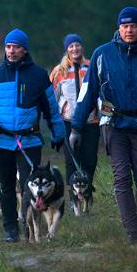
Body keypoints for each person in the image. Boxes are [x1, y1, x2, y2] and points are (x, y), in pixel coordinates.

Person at [70, 6, 137, 245]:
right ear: (118, 28)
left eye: (133, 26)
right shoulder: (102, 54)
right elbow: (87, 93)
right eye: (125, 26)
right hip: (112, 123)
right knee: (122, 178)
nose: (129, 30)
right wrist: (76, 127)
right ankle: (134, 233)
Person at [0, 28, 66, 243]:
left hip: (29, 140)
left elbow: (51, 109)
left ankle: (28, 228)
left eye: (16, 47)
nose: (11, 51)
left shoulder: (39, 76)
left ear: (25, 50)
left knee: (29, 186)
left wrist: (58, 133)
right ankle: (10, 229)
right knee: (6, 186)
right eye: (8, 46)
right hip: (3, 140)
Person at [49, 34, 100, 202]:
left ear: (82, 47)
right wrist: (55, 122)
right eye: (71, 46)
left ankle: (86, 193)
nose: (74, 49)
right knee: (72, 161)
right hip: (68, 122)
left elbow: (100, 93)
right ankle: (73, 198)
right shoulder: (59, 71)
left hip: (91, 121)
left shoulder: (92, 66)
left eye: (77, 45)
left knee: (90, 161)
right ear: (66, 49)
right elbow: (52, 97)